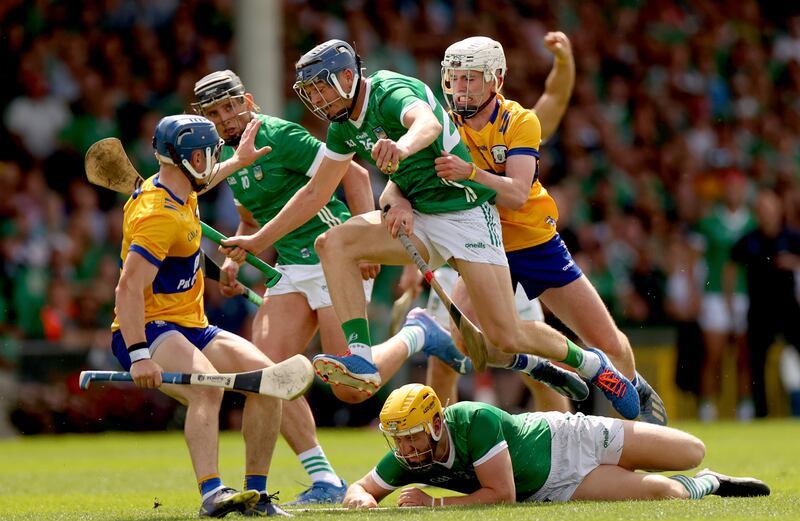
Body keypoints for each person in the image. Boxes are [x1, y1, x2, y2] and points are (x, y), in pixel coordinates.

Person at [222, 39, 640, 420]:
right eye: (309, 92)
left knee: (504, 336)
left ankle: (591, 364)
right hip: (422, 219)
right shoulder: (342, 125)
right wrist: (259, 240)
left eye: (321, 87)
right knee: (333, 241)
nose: (316, 98)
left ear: (349, 77)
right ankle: (360, 354)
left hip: (466, 217)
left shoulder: (389, 91)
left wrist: (401, 147)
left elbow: (427, 123)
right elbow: (316, 193)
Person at [422, 35, 666, 424]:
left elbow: (518, 194)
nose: (461, 88)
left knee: (605, 339)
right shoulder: (444, 126)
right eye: (455, 79)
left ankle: (634, 392)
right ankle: (540, 362)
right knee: (462, 343)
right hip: (481, 243)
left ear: (495, 80)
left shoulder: (520, 121)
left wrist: (469, 172)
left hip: (535, 242)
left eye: (471, 79)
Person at [111, 114, 314, 518]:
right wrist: (138, 354)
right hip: (149, 328)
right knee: (208, 388)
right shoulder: (157, 215)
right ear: (188, 158)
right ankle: (211, 495)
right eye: (208, 154)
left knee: (268, 381)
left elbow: (186, 240)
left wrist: (238, 161)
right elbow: (128, 289)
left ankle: (254, 496)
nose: (212, 161)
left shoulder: (182, 190)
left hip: (191, 324)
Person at [192, 69, 373, 504]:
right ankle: (325, 479)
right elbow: (252, 221)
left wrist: (366, 240)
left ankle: (418, 333)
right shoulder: (225, 159)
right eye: (215, 113)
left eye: (231, 106)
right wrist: (237, 261)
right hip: (291, 268)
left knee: (349, 386)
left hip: (334, 259)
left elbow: (356, 177)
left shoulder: (279, 135)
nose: (227, 118)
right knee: (266, 376)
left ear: (248, 101)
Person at [343, 383, 770, 508]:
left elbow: (502, 496)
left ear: (436, 423)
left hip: (569, 438)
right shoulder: (408, 457)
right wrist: (360, 499)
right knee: (666, 492)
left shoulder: (474, 419)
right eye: (398, 438)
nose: (406, 447)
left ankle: (632, 391)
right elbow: (361, 487)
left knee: (691, 451)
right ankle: (709, 484)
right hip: (555, 488)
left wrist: (432, 506)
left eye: (412, 435)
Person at [731, 188, 800, 417]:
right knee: (756, 364)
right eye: (762, 209)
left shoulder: (792, 237)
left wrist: (794, 262)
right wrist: (730, 301)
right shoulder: (749, 240)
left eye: (770, 209)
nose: (767, 214)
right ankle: (761, 413)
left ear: (779, 210)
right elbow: (730, 266)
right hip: (760, 310)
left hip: (789, 308)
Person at [695, 169, 755, 422]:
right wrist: (694, 293)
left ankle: (745, 406)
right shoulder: (709, 222)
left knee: (744, 355)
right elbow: (695, 259)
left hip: (744, 293)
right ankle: (707, 406)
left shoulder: (753, 222)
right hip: (715, 294)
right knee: (714, 355)